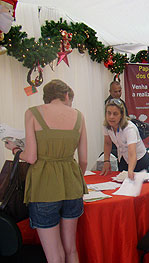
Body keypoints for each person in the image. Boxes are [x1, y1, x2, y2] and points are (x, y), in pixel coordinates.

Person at [5, 79, 88, 263]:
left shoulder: (33, 113)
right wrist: (75, 178)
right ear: (66, 95)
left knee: (54, 256)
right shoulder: (79, 116)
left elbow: (32, 157)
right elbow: (83, 159)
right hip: (72, 186)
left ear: (46, 98)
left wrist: (16, 149)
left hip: (44, 188)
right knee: (71, 250)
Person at [101, 98, 149, 178]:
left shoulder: (129, 128)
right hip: (123, 158)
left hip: (138, 160)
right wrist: (106, 161)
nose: (111, 117)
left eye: (115, 114)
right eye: (108, 113)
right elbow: (107, 143)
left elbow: (132, 152)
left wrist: (130, 170)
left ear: (121, 115)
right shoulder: (107, 125)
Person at [105, 81, 128, 159]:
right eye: (115, 91)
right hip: (114, 137)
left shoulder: (121, 102)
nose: (118, 93)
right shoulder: (109, 103)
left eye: (119, 91)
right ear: (110, 92)